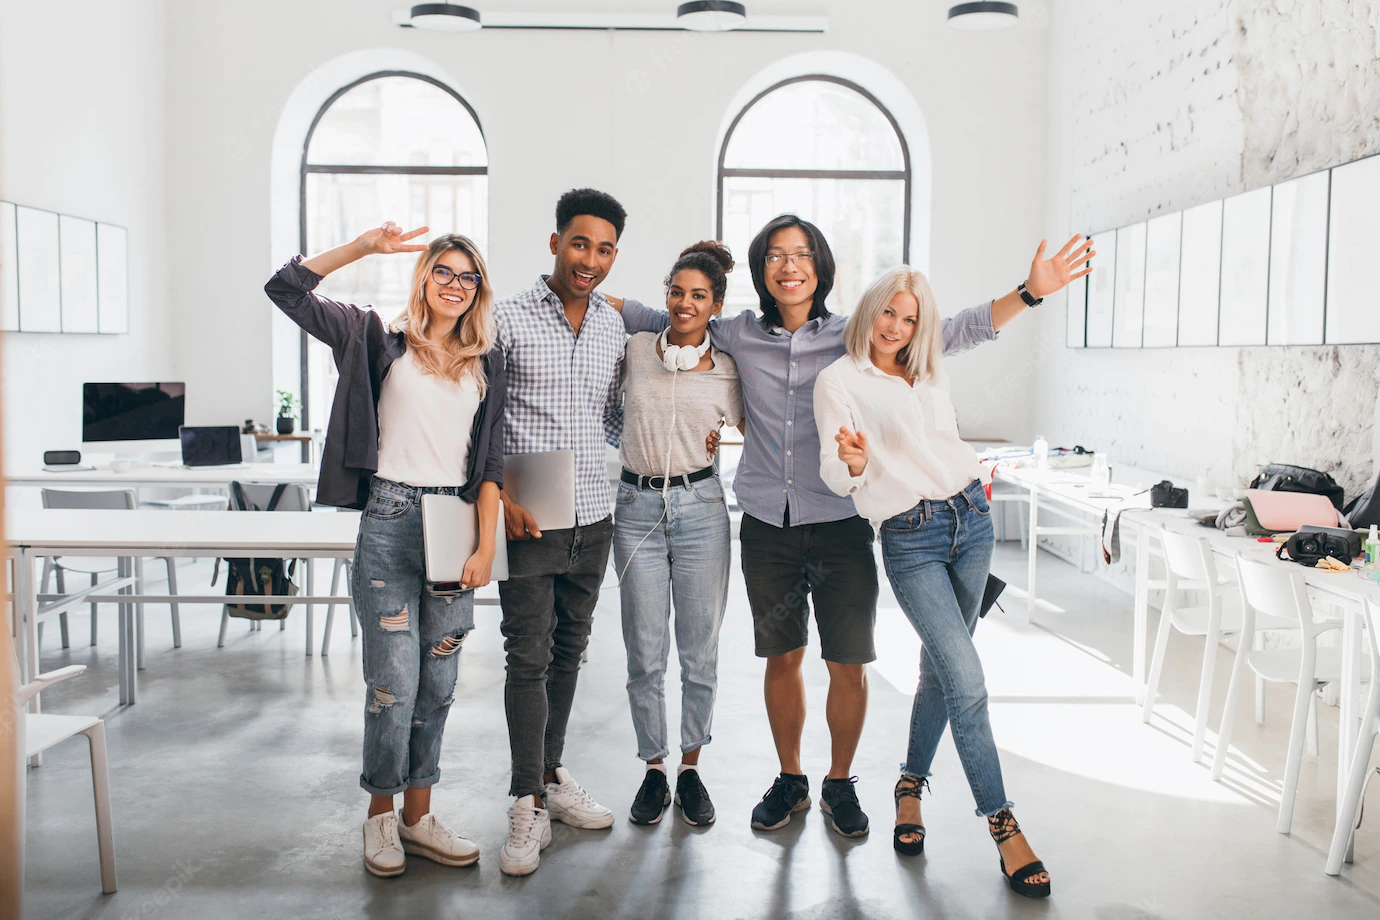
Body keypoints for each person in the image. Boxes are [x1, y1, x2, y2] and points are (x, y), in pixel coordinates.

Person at [614, 215, 1093, 839]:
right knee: (781, 659)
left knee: (848, 662)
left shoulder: (853, 337)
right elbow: (665, 315)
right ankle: (791, 778)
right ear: (762, 270)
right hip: (768, 526)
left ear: (821, 267)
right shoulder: (734, 333)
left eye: (803, 254)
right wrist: (585, 290)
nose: (790, 265)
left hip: (841, 525)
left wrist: (1027, 293)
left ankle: (840, 781)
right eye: (777, 256)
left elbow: (948, 334)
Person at [265, 223, 505, 878]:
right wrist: (362, 249)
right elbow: (285, 289)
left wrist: (487, 545)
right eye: (443, 272)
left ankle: (418, 816)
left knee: (440, 682)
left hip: (454, 524)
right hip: (390, 520)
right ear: (424, 277)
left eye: (467, 276)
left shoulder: (487, 361)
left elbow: (491, 467)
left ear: (477, 289)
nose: (455, 285)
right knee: (393, 683)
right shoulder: (376, 338)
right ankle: (379, 816)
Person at [815, 267, 1054, 898]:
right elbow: (836, 475)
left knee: (939, 674)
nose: (895, 327)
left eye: (910, 318)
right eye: (888, 313)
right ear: (869, 311)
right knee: (966, 676)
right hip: (910, 538)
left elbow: (978, 324)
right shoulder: (838, 381)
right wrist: (853, 463)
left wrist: (1031, 291)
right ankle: (1003, 826)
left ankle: (908, 786)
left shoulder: (925, 365)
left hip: (972, 517)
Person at [614, 241, 743, 828]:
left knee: (699, 650)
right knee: (644, 651)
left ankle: (691, 768)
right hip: (635, 506)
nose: (685, 303)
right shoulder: (636, 348)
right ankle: (654, 767)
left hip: (703, 508)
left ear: (715, 306)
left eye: (698, 296)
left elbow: (763, 428)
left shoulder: (728, 370)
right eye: (677, 292)